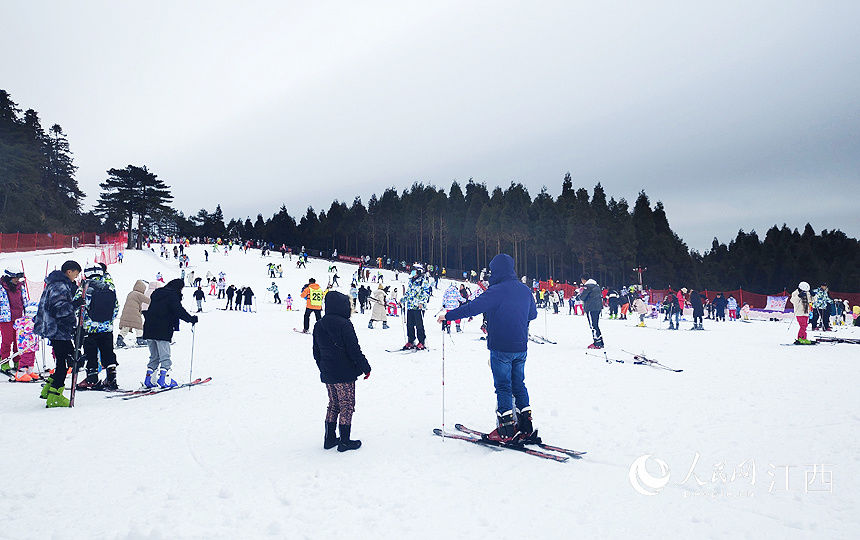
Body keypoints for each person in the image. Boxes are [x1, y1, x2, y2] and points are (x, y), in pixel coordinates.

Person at [437, 254, 537, 442]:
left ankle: (506, 429)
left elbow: (471, 308)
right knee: (519, 384)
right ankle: (525, 425)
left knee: (503, 387)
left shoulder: (496, 291)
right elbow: (532, 314)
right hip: (521, 347)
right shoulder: (525, 290)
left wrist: (448, 315)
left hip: (501, 347)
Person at [313, 291, 371, 452]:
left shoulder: (319, 324)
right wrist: (365, 367)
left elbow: (315, 351)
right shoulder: (344, 324)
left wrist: (324, 367)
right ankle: (344, 441)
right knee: (347, 405)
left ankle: (329, 438)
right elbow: (354, 349)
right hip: (344, 373)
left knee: (333, 404)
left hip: (328, 372)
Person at [33, 260, 82, 407]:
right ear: (69, 271)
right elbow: (58, 309)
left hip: (57, 329)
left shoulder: (57, 284)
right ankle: (55, 395)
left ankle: (49, 389)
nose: (76, 277)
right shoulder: (60, 286)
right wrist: (75, 304)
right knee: (65, 361)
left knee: (63, 360)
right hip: (58, 329)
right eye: (76, 274)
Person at [141, 278, 198, 388]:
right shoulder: (172, 296)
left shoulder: (156, 293)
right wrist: (191, 319)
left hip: (149, 327)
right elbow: (178, 310)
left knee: (154, 356)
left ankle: (150, 379)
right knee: (165, 356)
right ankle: (164, 380)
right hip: (162, 329)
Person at [72, 264, 120, 391]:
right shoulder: (109, 286)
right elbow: (116, 306)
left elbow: (78, 306)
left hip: (90, 328)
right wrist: (109, 320)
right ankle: (111, 378)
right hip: (107, 328)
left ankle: (92, 378)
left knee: (91, 353)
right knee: (108, 352)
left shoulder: (85, 287)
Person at [1, 267, 29, 373]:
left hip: (19, 318)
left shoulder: (20, 287)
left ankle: (17, 360)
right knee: (7, 340)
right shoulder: (2, 287)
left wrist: (28, 313)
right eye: (15, 278)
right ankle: (4, 361)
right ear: (9, 278)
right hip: (5, 318)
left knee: (18, 341)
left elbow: (25, 300)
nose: (17, 280)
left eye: (18, 278)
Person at [402, 265, 430, 350]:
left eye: (414, 270)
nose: (412, 272)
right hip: (410, 306)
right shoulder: (411, 281)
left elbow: (426, 293)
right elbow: (408, 293)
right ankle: (411, 340)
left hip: (418, 307)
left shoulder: (423, 281)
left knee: (419, 325)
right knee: (409, 325)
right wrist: (402, 300)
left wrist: (421, 302)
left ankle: (421, 341)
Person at [117, 280, 150, 348]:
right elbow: (147, 300)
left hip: (126, 313)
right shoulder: (138, 294)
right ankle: (140, 339)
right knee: (138, 325)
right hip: (133, 313)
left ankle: (119, 340)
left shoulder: (131, 293)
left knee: (126, 326)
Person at [12, 303, 40, 381]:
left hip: (31, 344)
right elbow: (29, 329)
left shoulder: (30, 321)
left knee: (31, 357)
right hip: (26, 345)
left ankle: (29, 371)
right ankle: (20, 374)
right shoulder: (28, 322)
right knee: (26, 358)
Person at [576, 274, 605, 348]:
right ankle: (600, 342)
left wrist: (579, 296)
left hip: (591, 308)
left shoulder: (587, 286)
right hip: (598, 307)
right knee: (596, 325)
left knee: (593, 325)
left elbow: (582, 297)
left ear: (584, 280)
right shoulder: (596, 285)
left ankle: (597, 343)